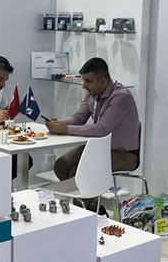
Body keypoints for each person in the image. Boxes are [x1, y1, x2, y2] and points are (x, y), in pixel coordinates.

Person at [46, 57, 140, 190]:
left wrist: (65, 128)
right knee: (61, 165)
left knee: (78, 173)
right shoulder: (93, 93)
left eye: (88, 81)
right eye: (84, 80)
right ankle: (85, 199)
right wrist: (59, 123)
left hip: (124, 154)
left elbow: (101, 129)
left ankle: (85, 200)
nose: (84, 86)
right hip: (97, 147)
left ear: (102, 81)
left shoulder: (121, 96)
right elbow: (79, 118)